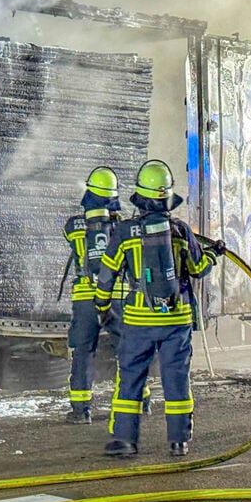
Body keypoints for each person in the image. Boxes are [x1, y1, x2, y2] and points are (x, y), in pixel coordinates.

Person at [94, 159, 223, 457]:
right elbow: (198, 268)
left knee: (131, 378)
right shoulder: (180, 230)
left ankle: (125, 441)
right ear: (167, 199)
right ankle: (179, 441)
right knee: (176, 378)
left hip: (138, 321)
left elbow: (106, 276)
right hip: (176, 321)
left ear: (140, 198)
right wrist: (213, 254)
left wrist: (102, 306)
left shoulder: (125, 233)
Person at [61, 167, 146, 424]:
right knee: (128, 350)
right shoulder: (123, 226)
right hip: (118, 295)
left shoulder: (74, 226)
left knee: (84, 350)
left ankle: (81, 409)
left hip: (86, 299)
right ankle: (141, 400)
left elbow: (72, 237)